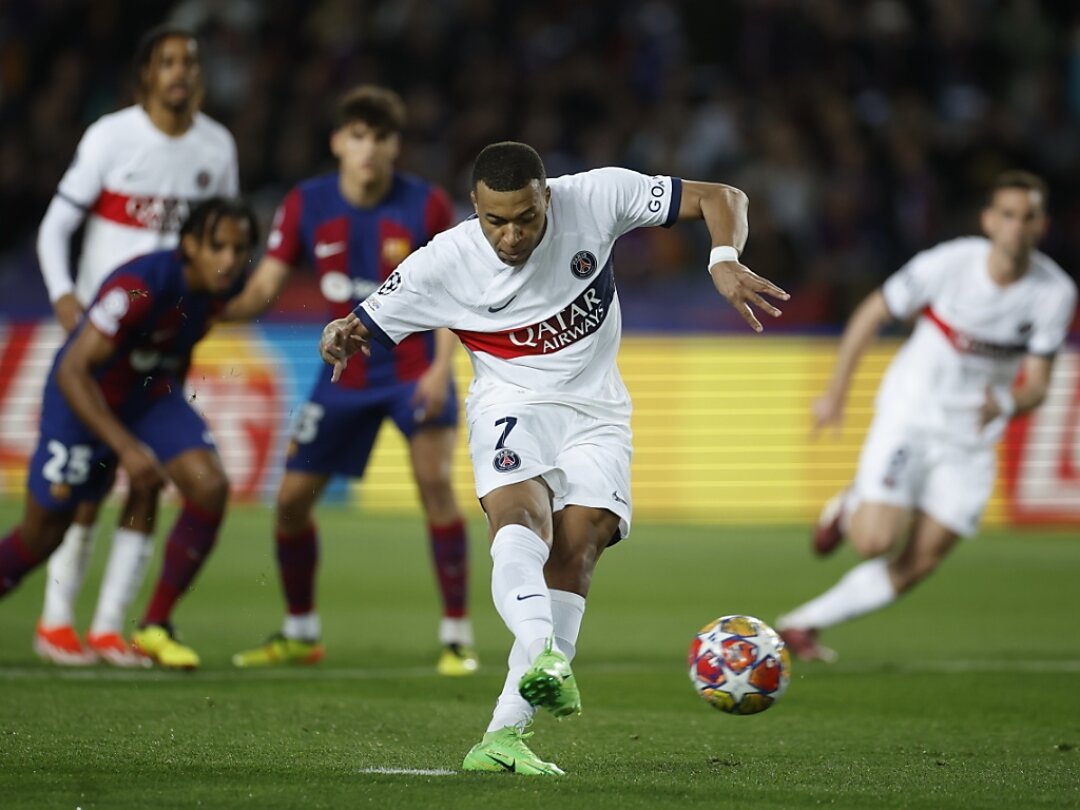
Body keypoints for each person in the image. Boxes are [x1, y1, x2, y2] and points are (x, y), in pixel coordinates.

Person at [320, 142, 788, 775]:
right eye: (496, 221)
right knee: (524, 520)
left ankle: (503, 738)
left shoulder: (595, 196)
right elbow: (363, 322)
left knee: (582, 543)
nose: (511, 235)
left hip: (598, 412)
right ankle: (545, 651)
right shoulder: (443, 262)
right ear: (475, 209)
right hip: (511, 404)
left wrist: (724, 258)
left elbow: (721, 197)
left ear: (549, 196)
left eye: (526, 218)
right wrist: (342, 330)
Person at [775, 171, 1078, 663]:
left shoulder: (1054, 294)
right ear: (988, 221)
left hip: (971, 438)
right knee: (875, 542)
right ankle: (852, 505)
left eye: (1028, 217)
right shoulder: (949, 265)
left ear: (1042, 226)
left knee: (920, 560)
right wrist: (835, 394)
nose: (1016, 227)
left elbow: (1039, 385)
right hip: (912, 413)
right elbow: (873, 312)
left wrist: (1005, 404)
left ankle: (802, 623)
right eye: (1007, 215)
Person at [227, 86, 478, 676]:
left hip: (414, 368)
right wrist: (211, 309)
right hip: (344, 371)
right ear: (339, 142)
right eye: (358, 135)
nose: (369, 148)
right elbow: (263, 289)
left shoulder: (426, 205)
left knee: (434, 484)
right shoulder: (305, 203)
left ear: (395, 146)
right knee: (290, 500)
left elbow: (451, 295)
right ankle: (300, 632)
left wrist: (442, 369)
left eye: (381, 137)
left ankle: (456, 638)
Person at [33, 25, 239, 666]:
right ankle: (57, 620)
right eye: (168, 62)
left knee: (150, 484)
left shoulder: (217, 146)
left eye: (191, 63)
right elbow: (55, 227)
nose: (181, 73)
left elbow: (220, 235)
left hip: (164, 346)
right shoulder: (111, 137)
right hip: (102, 340)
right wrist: (67, 298)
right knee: (89, 490)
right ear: (146, 74)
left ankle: (108, 628)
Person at [0, 197, 258, 669]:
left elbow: (180, 346)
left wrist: (167, 419)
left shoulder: (224, 288)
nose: (228, 259)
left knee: (209, 486)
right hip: (84, 395)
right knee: (43, 533)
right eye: (217, 246)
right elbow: (74, 370)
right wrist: (127, 448)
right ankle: (60, 620)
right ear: (189, 245)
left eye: (239, 249)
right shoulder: (139, 286)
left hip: (148, 392)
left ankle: (147, 627)